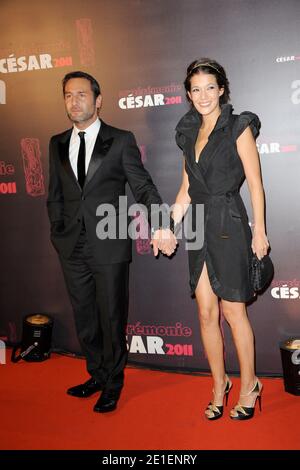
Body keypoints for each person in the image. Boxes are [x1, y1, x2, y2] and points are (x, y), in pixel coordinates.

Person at [47, 71, 176, 413]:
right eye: (68, 95)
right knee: (85, 316)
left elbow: (143, 187)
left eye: (82, 95)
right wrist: (57, 230)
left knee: (111, 317)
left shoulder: (120, 140)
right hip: (71, 245)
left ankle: (114, 384)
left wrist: (161, 223)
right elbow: (55, 196)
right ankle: (97, 374)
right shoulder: (56, 143)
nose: (74, 101)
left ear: (98, 100)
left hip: (109, 244)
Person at [172, 59, 270, 420]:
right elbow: (185, 189)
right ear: (188, 94)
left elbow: (256, 183)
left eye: (210, 87)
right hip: (198, 223)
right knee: (205, 311)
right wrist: (169, 225)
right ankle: (219, 384)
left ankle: (249, 385)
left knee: (233, 311)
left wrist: (259, 231)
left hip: (229, 221)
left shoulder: (237, 125)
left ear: (222, 89)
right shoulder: (187, 131)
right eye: (196, 89)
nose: (203, 96)